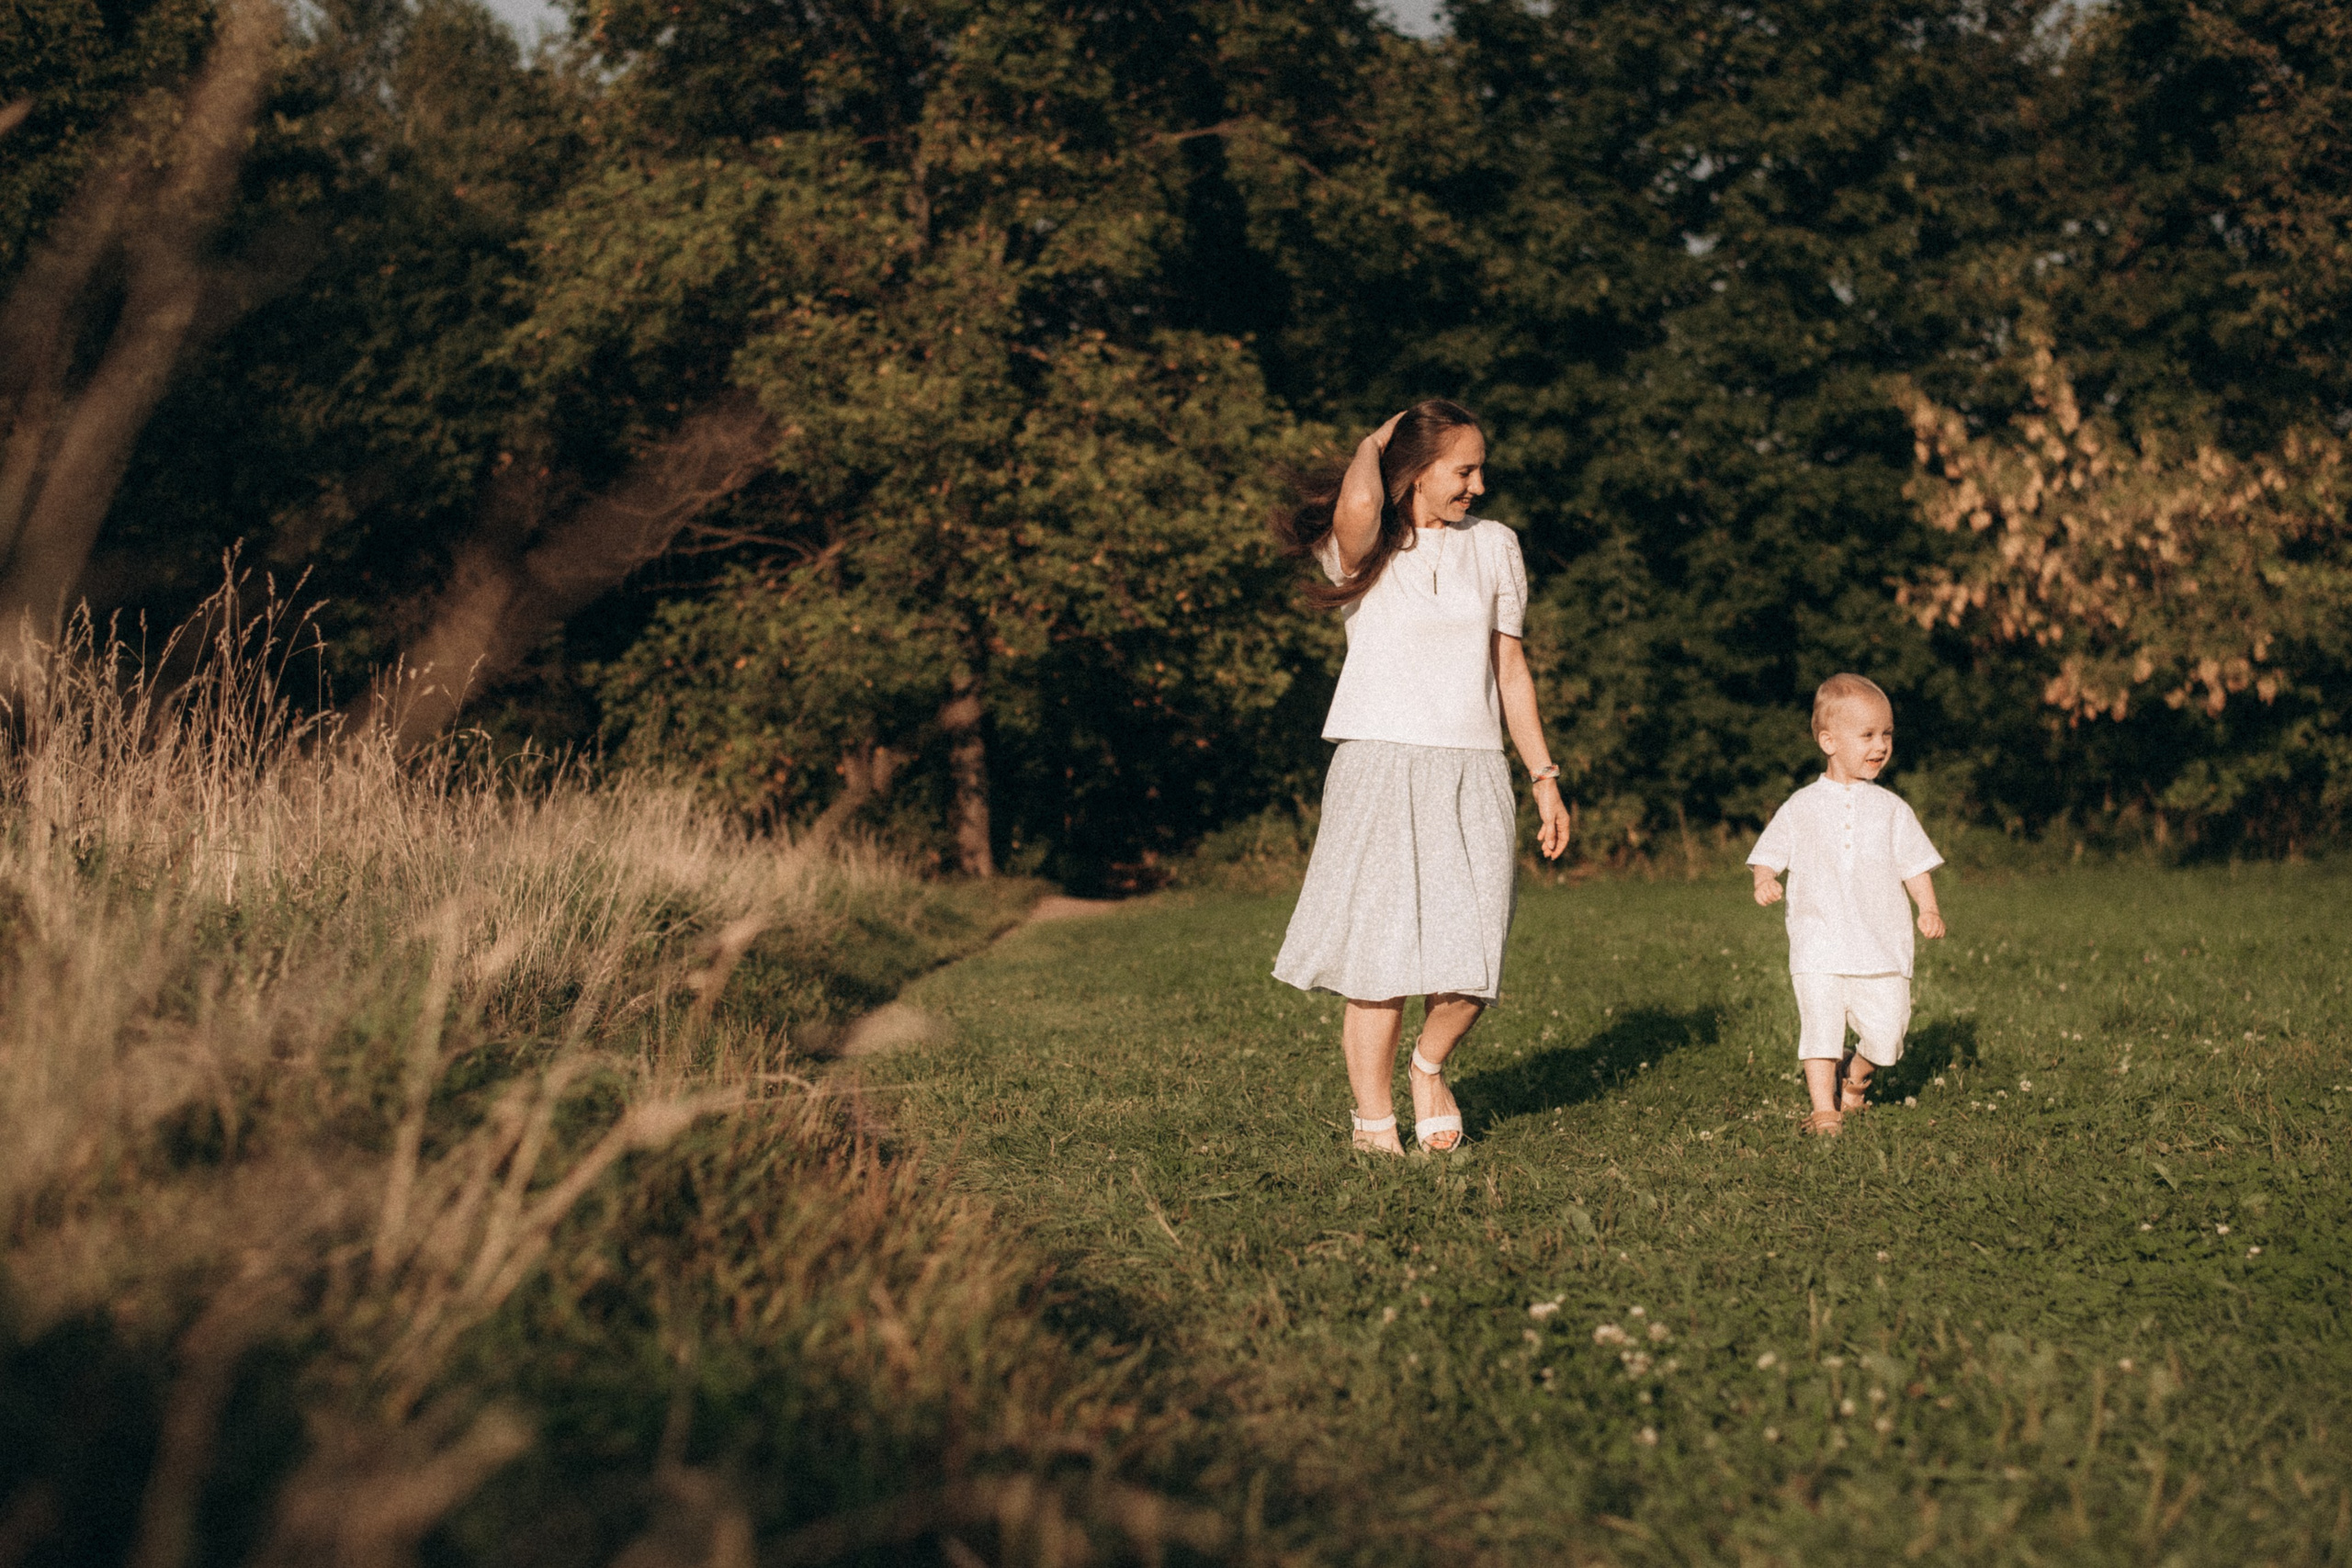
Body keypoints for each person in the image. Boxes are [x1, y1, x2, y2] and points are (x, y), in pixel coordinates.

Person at [1271, 400, 1571, 1155]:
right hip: (1378, 762)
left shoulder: (1496, 545)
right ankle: (1373, 1119)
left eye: (1481, 468)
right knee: (1380, 960)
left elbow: (1510, 667)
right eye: (1464, 469)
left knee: (1472, 960)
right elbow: (1364, 499)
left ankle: (1428, 1067)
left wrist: (1543, 774)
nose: (1479, 484)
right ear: (1417, 470)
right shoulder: (1364, 546)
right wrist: (1377, 439)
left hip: (1472, 768)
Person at [1747, 672, 1948, 1136]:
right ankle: (1824, 1111)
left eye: (1887, 735)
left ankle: (1854, 1081)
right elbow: (1768, 853)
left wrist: (1928, 908)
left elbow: (1914, 865)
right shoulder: (1801, 806)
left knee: (1887, 1033)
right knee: (1819, 1028)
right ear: (1829, 741)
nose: (1881, 746)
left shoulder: (1893, 809)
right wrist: (1764, 881)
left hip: (1881, 947)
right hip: (1818, 944)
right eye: (1868, 735)